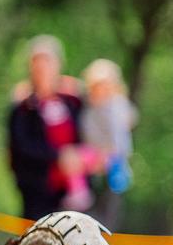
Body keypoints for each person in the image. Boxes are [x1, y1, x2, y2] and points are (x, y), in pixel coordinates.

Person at [7, 36, 91, 219]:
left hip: (74, 189)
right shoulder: (23, 104)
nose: (42, 68)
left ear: (58, 64)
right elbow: (21, 145)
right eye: (37, 62)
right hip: (37, 189)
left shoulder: (73, 99)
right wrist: (58, 155)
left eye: (47, 61)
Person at [81, 58, 137, 230]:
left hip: (114, 165)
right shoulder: (89, 110)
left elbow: (126, 126)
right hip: (93, 164)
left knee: (109, 212)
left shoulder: (118, 106)